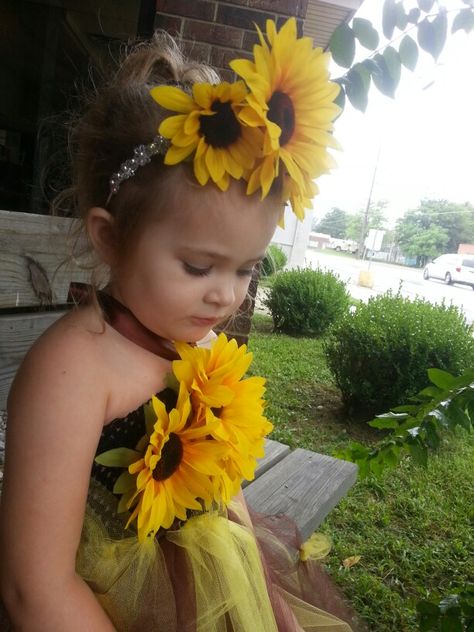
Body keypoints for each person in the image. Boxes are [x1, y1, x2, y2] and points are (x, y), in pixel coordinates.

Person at [0, 18, 354, 632]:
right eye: (197, 266)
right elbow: (35, 587)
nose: (225, 295)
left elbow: (224, 494)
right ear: (110, 237)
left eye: (248, 268)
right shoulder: (73, 371)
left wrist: (268, 605)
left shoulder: (205, 347)